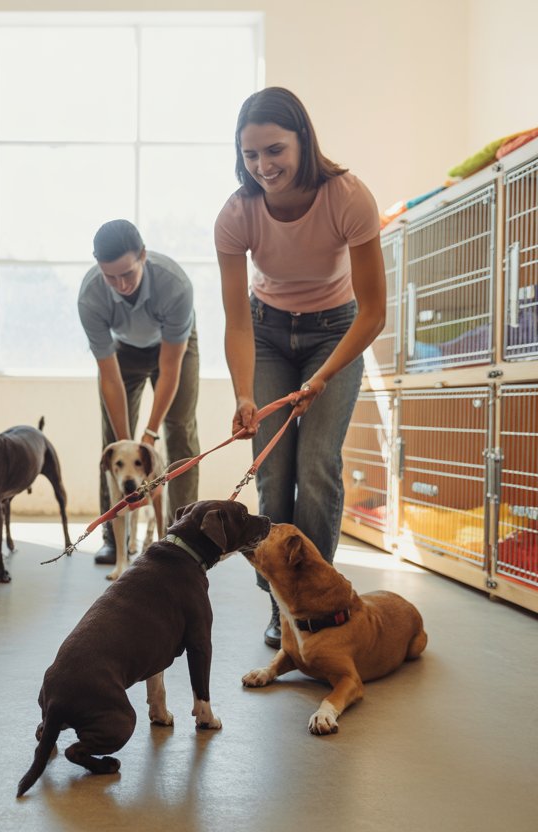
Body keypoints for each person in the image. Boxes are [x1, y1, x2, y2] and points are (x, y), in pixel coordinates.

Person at [214, 87, 386, 647]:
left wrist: (321, 377)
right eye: (250, 155)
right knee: (274, 472)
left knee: (316, 466)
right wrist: (244, 395)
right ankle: (283, 606)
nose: (263, 166)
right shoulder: (236, 215)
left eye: (274, 150)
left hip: (335, 333)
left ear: (303, 141)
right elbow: (238, 321)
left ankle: (318, 600)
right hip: (266, 334)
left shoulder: (348, 197)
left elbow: (374, 312)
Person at [77, 219, 200, 564]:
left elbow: (171, 367)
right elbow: (110, 378)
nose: (120, 285)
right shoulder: (90, 297)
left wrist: (148, 435)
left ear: (143, 256)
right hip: (124, 350)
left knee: (180, 431)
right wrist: (127, 444)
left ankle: (183, 536)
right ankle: (115, 536)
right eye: (110, 277)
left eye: (127, 274)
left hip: (174, 346)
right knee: (113, 442)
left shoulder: (175, 286)